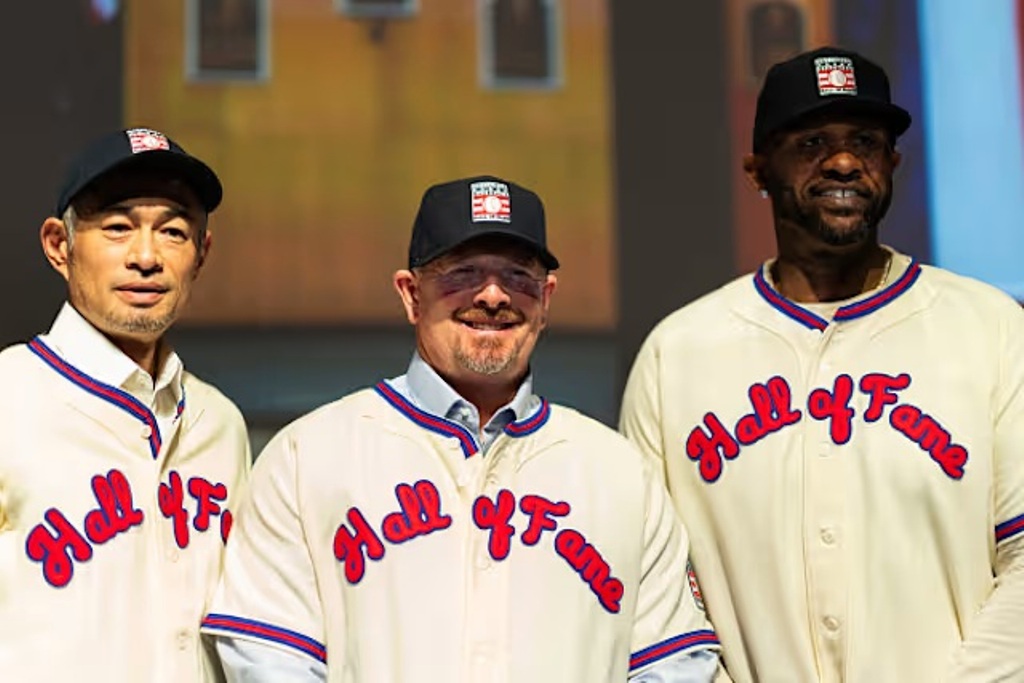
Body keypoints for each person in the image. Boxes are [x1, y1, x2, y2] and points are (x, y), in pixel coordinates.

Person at [201, 175, 725, 682]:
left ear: (546, 300)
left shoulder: (619, 473)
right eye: (462, 272)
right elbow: (270, 660)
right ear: (410, 294)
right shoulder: (308, 455)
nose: (494, 295)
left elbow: (673, 664)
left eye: (519, 275)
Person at [619, 46, 1024, 682]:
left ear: (892, 162)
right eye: (811, 143)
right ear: (758, 169)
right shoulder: (678, 354)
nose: (843, 161)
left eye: (865, 141)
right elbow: (649, 589)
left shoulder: (992, 328)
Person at [0, 128, 251, 681]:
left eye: (174, 232)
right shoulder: (8, 396)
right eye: (116, 227)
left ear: (201, 254)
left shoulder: (220, 423)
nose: (146, 257)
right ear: (58, 246)